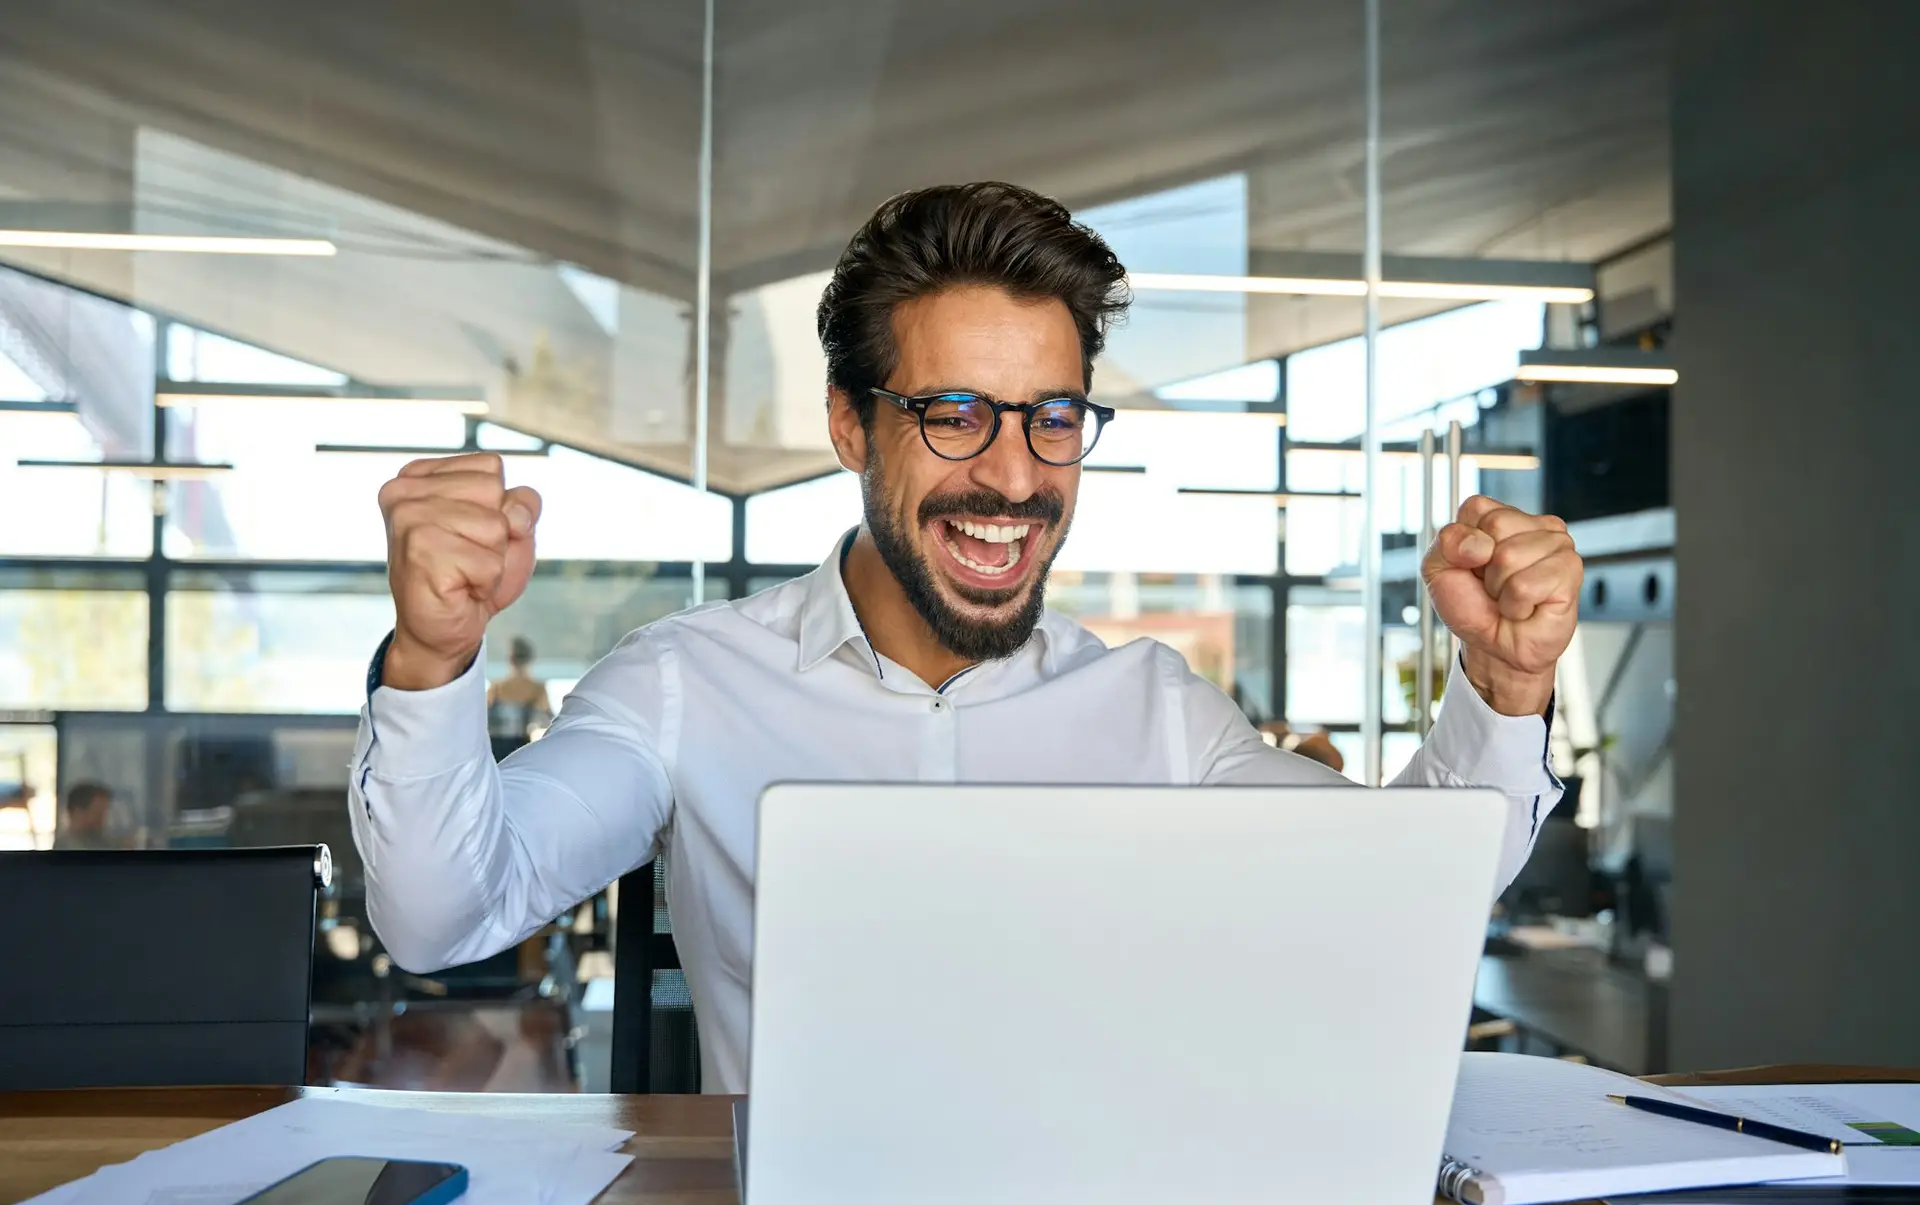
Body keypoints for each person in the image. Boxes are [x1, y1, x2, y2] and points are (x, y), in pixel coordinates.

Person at [352, 182, 1582, 1093]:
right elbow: (437, 913)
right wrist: (433, 660)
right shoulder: (687, 682)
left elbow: (1410, 883)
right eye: (953, 413)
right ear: (850, 423)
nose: (1013, 475)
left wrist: (1507, 683)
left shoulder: (1157, 708)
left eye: (1053, 416)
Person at [486, 636, 552, 759]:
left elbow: (481, 719)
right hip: (520, 749)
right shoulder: (537, 689)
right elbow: (549, 722)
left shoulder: (497, 688)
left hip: (493, 749)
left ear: (510, 659)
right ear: (530, 659)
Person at [53, 781, 115, 851]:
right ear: (78, 812)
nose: (103, 820)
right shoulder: (65, 847)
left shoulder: (100, 842)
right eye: (98, 814)